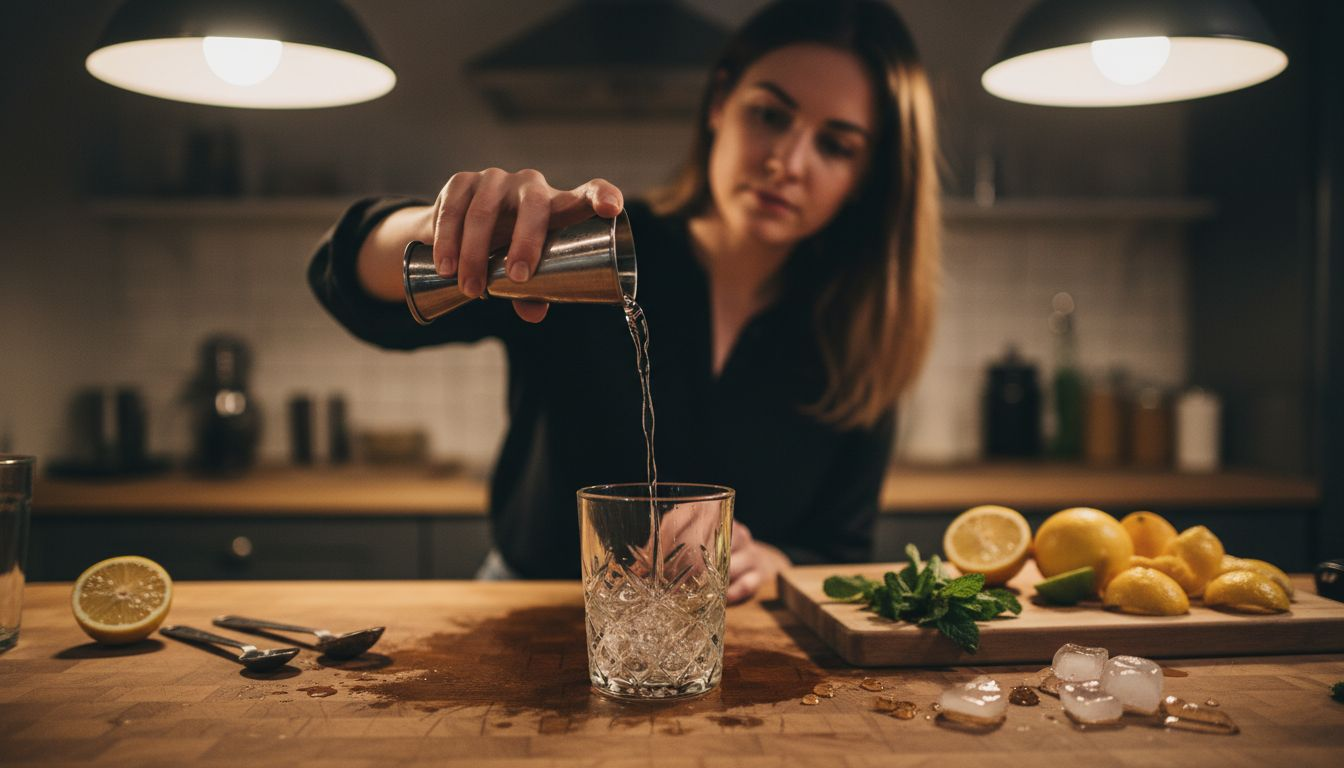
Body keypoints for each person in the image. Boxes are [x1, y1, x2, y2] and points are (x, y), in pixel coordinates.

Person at [308, 0, 940, 603]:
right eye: (770, 115)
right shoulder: (589, 251)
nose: (787, 161)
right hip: (524, 615)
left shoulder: (863, 327)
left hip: (733, 647)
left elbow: (840, 550)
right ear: (720, 102)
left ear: (868, 176)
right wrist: (445, 224)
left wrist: (775, 564)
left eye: (837, 145)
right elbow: (348, 284)